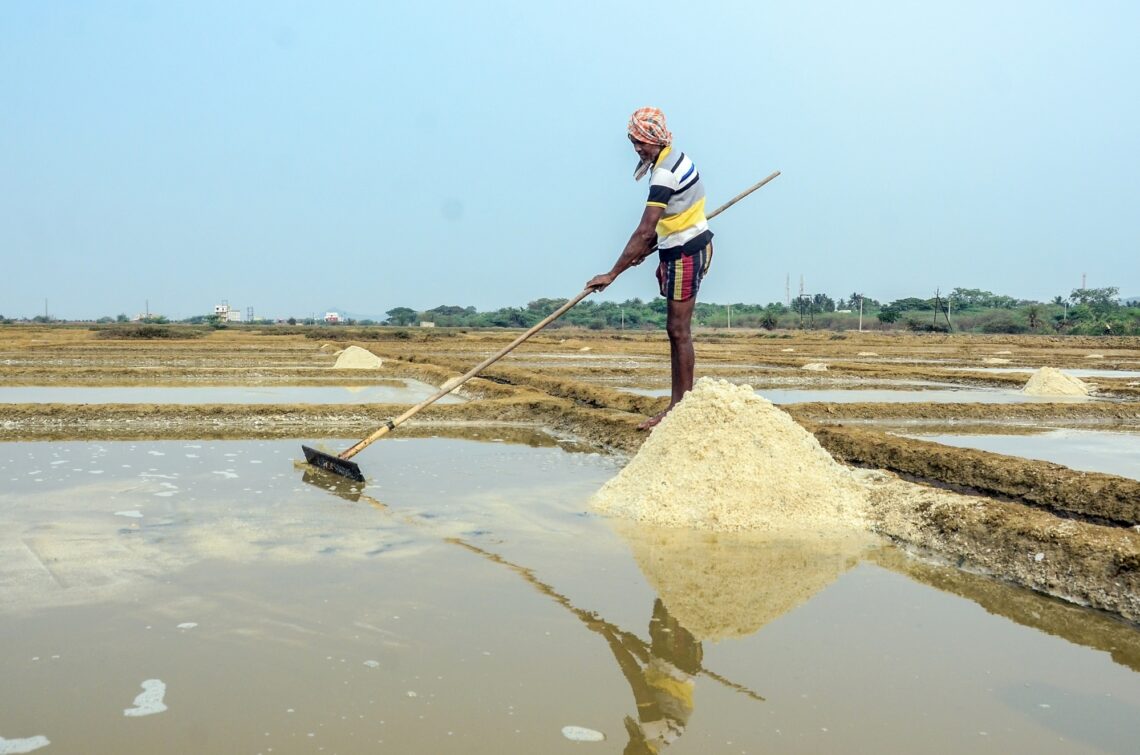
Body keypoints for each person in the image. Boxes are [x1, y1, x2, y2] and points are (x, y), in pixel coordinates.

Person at [587, 107, 714, 430]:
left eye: (642, 142)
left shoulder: (664, 174)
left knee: (678, 330)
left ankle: (679, 408)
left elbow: (646, 230)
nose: (638, 149)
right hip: (680, 243)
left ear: (656, 139)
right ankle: (679, 403)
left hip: (686, 250)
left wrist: (612, 273)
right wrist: (647, 249)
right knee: (676, 329)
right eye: (634, 143)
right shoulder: (675, 158)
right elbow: (668, 221)